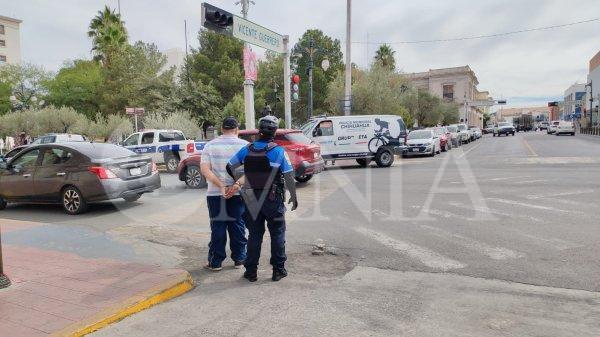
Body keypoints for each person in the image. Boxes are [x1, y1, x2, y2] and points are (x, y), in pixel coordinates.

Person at [226, 115, 298, 282]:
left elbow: (230, 166)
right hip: (273, 199)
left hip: (251, 197)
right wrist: (294, 196)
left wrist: (244, 179)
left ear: (259, 130)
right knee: (277, 233)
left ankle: (251, 271)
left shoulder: (247, 149)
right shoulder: (279, 151)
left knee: (254, 234)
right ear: (274, 132)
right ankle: (278, 270)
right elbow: (288, 176)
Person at [200, 117, 249, 271]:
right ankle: (240, 259)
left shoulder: (210, 145)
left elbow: (205, 169)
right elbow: (251, 171)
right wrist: (236, 185)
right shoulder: (246, 146)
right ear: (237, 129)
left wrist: (221, 185)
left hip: (215, 193)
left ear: (222, 129)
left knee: (218, 226)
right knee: (238, 225)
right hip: (239, 193)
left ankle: (215, 262)